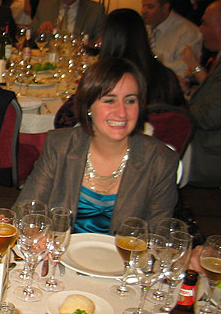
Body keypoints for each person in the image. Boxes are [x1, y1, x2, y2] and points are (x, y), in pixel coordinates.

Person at [20, 58, 179, 233]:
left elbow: (158, 235)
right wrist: (33, 233)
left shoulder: (161, 161)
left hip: (124, 251)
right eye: (109, 100)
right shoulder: (60, 146)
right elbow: (25, 211)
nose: (122, 113)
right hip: (60, 249)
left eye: (130, 101)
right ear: (88, 106)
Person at [55, 8, 186, 129]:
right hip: (161, 142)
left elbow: (62, 121)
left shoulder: (103, 78)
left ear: (107, 39)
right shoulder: (166, 75)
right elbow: (184, 119)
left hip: (117, 143)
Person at [180, 0, 221, 187]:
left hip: (208, 153)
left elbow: (208, 117)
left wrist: (185, 101)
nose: (201, 29)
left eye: (205, 24)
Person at [141, 0, 202, 78]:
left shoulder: (188, 32)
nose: (143, 11)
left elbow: (185, 71)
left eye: (150, 7)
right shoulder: (145, 28)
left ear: (165, 8)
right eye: (143, 6)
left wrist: (151, 66)